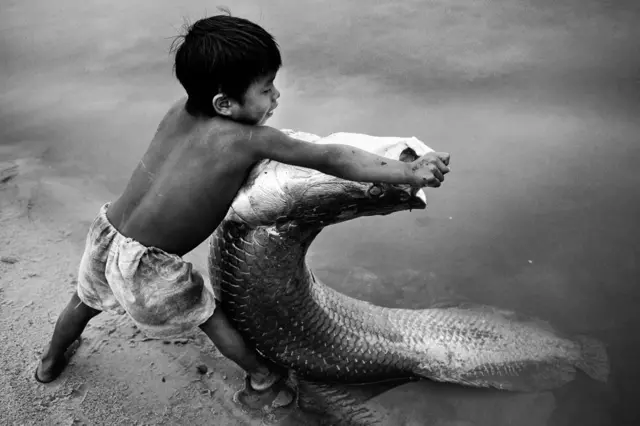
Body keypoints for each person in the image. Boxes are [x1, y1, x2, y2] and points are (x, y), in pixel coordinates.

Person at [35, 14, 451, 407]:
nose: (277, 96)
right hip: (150, 268)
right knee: (210, 316)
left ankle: (51, 361)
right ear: (223, 103)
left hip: (107, 233)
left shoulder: (177, 111)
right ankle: (262, 376)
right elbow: (330, 158)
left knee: (83, 301)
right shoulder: (247, 141)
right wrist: (406, 171)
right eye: (267, 88)